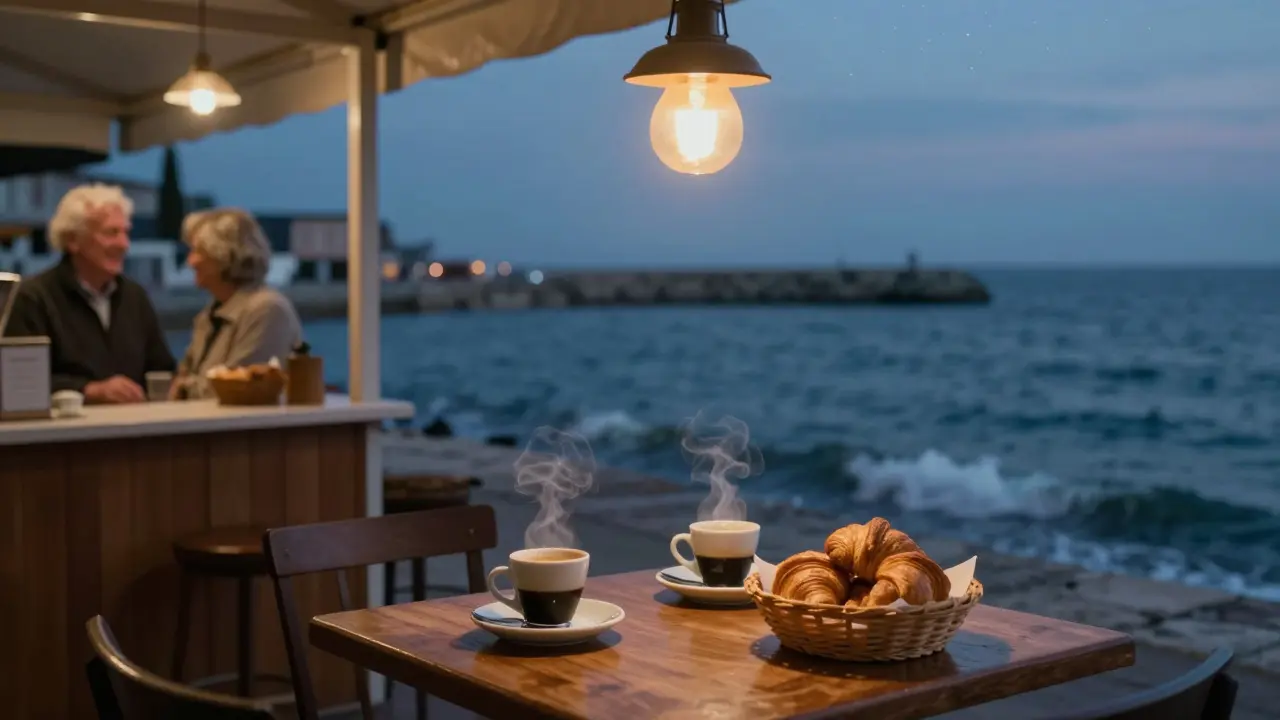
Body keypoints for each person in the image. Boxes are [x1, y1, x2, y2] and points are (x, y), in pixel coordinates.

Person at [3, 183, 175, 403]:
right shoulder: (35, 298)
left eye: (126, 232)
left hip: (133, 431)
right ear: (73, 240)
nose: (124, 244)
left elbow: (162, 370)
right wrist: (89, 390)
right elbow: (17, 381)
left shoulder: (134, 297)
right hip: (64, 434)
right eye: (111, 232)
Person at [172, 208, 301, 400]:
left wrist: (183, 389)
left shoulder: (267, 310)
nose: (190, 261)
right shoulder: (210, 316)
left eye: (197, 251)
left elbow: (236, 390)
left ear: (224, 256)